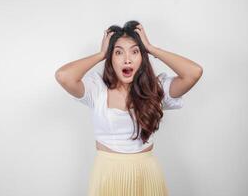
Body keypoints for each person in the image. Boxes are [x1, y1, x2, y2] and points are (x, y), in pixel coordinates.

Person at [55, 20, 203, 196]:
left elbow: (194, 73)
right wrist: (101, 53)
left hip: (146, 175)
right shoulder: (97, 89)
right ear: (111, 59)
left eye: (135, 51)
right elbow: (63, 76)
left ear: (142, 57)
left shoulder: (156, 88)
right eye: (118, 52)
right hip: (108, 175)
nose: (127, 59)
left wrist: (151, 48)